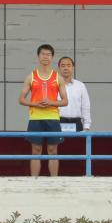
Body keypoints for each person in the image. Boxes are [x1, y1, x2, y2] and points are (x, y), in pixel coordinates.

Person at [18, 44, 68, 177]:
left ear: (52, 57)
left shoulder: (58, 77)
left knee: (53, 150)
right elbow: (21, 99)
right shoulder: (31, 76)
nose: (45, 57)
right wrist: (35, 104)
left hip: (53, 118)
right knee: (36, 150)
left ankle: (54, 180)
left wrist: (51, 102)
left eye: (48, 54)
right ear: (38, 56)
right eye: (43, 54)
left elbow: (65, 101)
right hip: (35, 118)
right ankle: (34, 181)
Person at [57, 56, 91, 132]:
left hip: (77, 123)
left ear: (73, 68)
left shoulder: (80, 86)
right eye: (63, 66)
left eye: (69, 65)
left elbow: (85, 106)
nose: (66, 68)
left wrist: (86, 126)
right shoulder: (53, 86)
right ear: (59, 68)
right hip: (58, 123)